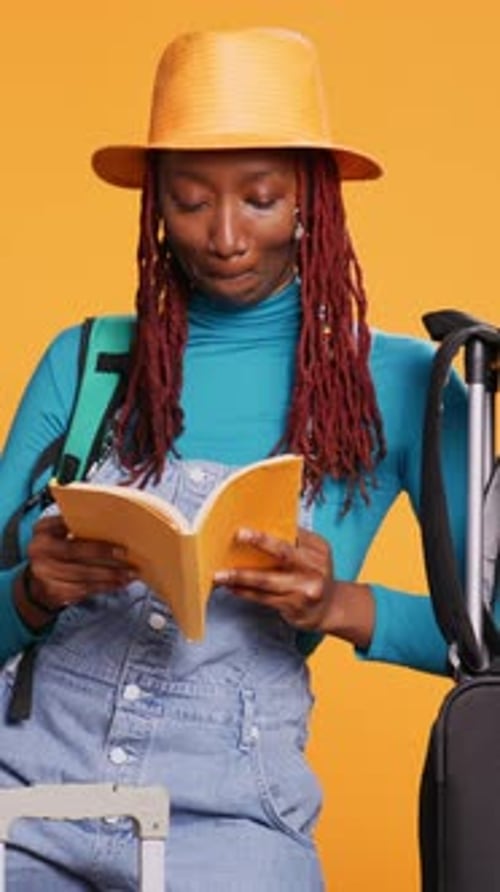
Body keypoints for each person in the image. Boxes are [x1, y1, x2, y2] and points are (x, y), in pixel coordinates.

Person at [0, 27, 467, 891]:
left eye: (259, 198)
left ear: (312, 203)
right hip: (24, 806)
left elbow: (490, 628)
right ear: (154, 209)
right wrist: (31, 591)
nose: (223, 237)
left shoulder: (404, 383)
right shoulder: (87, 362)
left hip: (232, 824)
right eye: (187, 201)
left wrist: (338, 603)